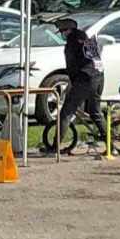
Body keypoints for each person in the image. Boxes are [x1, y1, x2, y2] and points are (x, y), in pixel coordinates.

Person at [46, 17, 105, 151]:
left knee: (66, 112)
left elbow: (71, 67)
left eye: (62, 31)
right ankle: (110, 143)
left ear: (67, 31)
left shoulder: (71, 43)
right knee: (95, 111)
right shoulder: (87, 39)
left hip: (84, 79)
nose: (62, 34)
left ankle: (55, 147)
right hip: (99, 77)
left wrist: (73, 84)